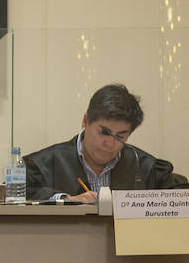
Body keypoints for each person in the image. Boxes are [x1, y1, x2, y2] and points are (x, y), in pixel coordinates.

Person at [24, 83, 188, 202]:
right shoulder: (43, 164)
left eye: (120, 136)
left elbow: (180, 198)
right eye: (104, 132)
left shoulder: (147, 167)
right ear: (85, 120)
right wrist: (67, 200)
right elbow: (16, 194)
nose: (110, 144)